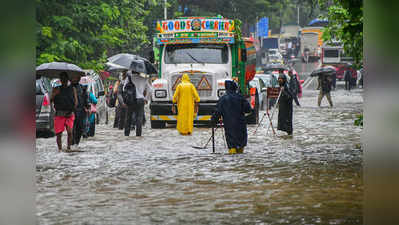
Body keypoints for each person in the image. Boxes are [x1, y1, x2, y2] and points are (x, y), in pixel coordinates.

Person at [212, 80, 252, 154]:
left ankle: (232, 161)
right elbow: (248, 110)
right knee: (241, 144)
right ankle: (239, 160)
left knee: (232, 145)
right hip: (241, 125)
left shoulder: (223, 99)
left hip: (229, 126)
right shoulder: (240, 97)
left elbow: (217, 112)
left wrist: (213, 121)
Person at [50, 72, 78, 151]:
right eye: (62, 78)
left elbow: (76, 102)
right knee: (59, 134)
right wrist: (54, 94)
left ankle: (68, 148)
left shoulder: (72, 89)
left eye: (65, 78)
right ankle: (60, 149)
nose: (64, 80)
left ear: (67, 79)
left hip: (70, 113)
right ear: (60, 80)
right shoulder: (56, 89)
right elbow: (50, 100)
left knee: (70, 131)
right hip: (59, 114)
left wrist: (73, 109)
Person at [121, 71, 152, 136]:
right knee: (139, 117)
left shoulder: (129, 78)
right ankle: (138, 135)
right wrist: (146, 99)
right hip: (141, 100)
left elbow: (124, 89)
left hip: (131, 99)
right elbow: (150, 90)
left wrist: (126, 97)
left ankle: (126, 134)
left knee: (128, 117)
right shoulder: (144, 78)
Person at [70, 74, 89, 147]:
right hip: (71, 111)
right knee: (72, 128)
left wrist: (87, 107)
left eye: (76, 77)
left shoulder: (82, 88)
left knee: (80, 128)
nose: (75, 79)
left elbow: (85, 99)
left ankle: (76, 144)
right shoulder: (68, 88)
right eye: (73, 77)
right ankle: (71, 143)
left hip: (81, 111)